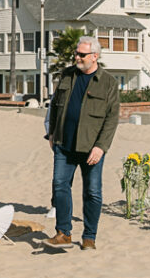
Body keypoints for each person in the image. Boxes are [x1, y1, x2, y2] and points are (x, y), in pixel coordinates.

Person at [44, 36, 119, 251]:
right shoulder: (66, 75)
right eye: (76, 54)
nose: (77, 57)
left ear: (95, 56)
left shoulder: (108, 83)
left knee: (92, 192)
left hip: (91, 148)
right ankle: (63, 233)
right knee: (60, 186)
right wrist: (51, 134)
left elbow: (112, 119)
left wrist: (101, 147)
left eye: (82, 54)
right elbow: (55, 107)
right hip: (63, 145)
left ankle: (89, 237)